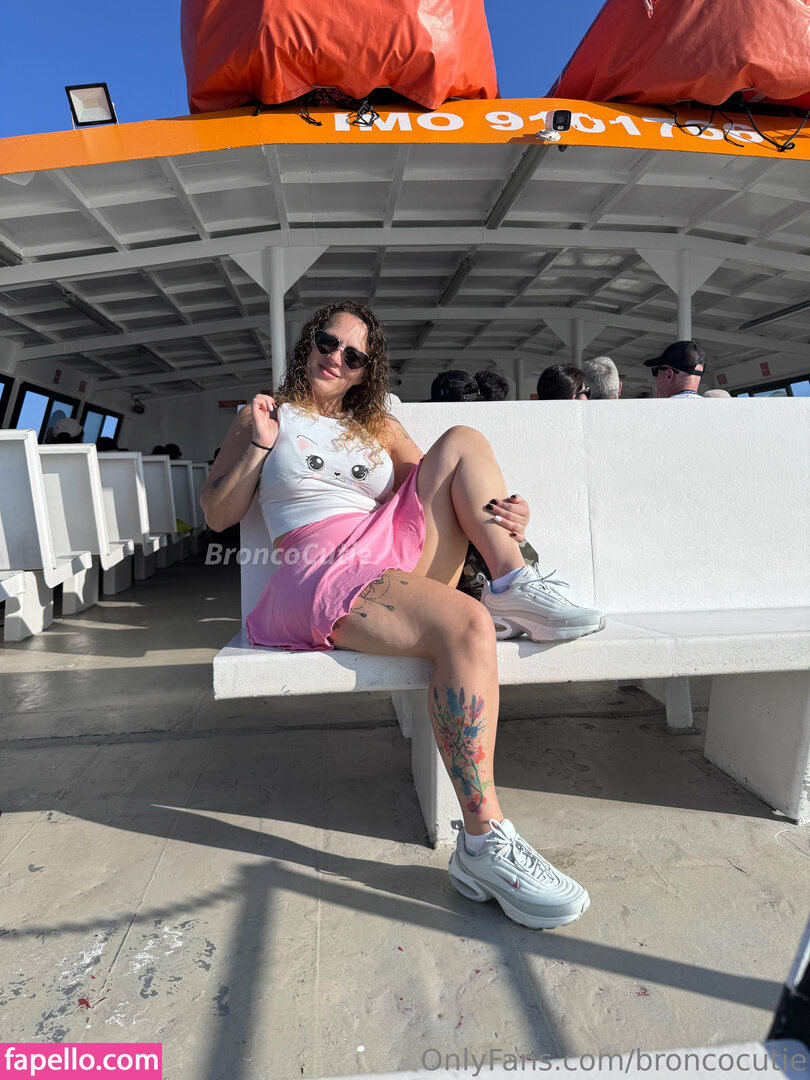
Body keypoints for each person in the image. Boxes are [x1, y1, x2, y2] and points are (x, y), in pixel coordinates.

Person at [202, 300, 605, 930]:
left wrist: (510, 520)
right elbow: (218, 515)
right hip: (316, 568)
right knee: (465, 626)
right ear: (308, 343)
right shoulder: (266, 415)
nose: (335, 358)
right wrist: (259, 446)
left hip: (383, 549)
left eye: (352, 354)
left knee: (464, 441)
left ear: (367, 369)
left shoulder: (379, 425)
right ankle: (483, 844)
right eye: (326, 342)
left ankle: (514, 578)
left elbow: (448, 490)